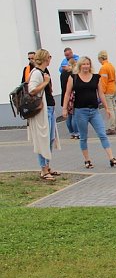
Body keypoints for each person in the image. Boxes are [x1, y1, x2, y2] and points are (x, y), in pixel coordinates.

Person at [63, 56, 116, 169]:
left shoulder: (96, 77)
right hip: (80, 111)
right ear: (80, 65)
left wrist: (106, 108)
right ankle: (87, 160)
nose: (86, 66)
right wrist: (64, 108)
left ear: (90, 65)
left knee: (102, 134)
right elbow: (67, 93)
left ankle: (111, 158)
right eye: (83, 64)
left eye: (88, 64)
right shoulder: (73, 77)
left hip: (94, 111)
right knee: (83, 137)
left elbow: (101, 94)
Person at [27, 49, 61, 181]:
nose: (50, 59)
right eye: (49, 56)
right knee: (43, 139)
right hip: (42, 110)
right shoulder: (36, 73)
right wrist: (45, 82)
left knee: (51, 139)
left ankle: (47, 166)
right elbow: (32, 90)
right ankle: (43, 169)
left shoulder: (44, 72)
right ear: (45, 58)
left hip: (50, 108)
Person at [97, 51, 116, 135]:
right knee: (114, 108)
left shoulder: (103, 68)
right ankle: (115, 126)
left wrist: (101, 92)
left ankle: (112, 128)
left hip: (108, 90)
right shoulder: (111, 65)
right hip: (113, 88)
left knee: (110, 109)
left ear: (100, 58)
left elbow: (103, 81)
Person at [60, 47, 79, 139]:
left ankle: (71, 132)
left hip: (64, 95)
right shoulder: (73, 75)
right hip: (72, 95)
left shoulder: (63, 73)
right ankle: (76, 132)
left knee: (68, 116)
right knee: (74, 114)